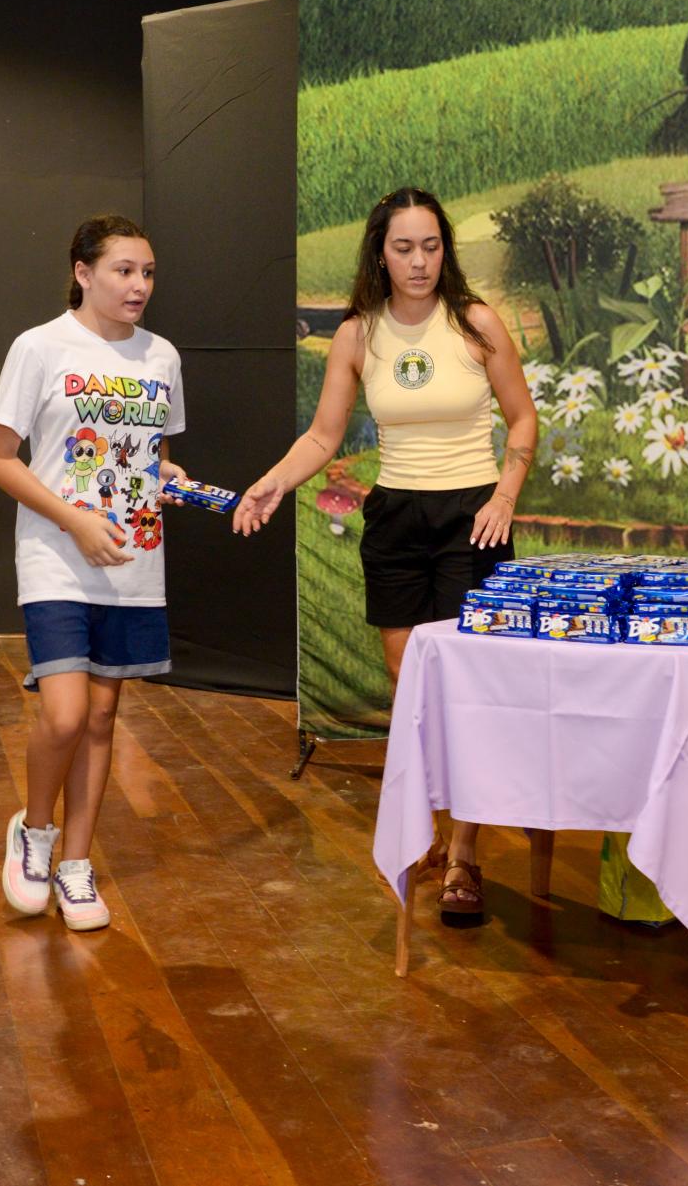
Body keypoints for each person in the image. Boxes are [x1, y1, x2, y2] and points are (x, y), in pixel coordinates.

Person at [234, 187, 536, 924]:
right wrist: (272, 483)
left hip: (473, 519)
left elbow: (523, 417)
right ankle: (425, 827)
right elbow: (322, 436)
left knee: (464, 685)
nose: (419, 261)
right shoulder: (357, 335)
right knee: (411, 682)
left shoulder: (476, 322)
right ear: (380, 253)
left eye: (431, 246)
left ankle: (465, 852)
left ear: (445, 250)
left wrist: (504, 496)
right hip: (397, 519)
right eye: (404, 248)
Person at [0, 214, 187, 933]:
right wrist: (73, 519)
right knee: (65, 714)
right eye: (124, 270)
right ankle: (34, 832)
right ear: (82, 272)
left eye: (148, 272)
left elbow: (151, 453)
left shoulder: (162, 356)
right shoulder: (39, 346)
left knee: (101, 718)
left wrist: (167, 475)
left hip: (134, 559)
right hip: (56, 557)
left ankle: (76, 864)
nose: (139, 285)